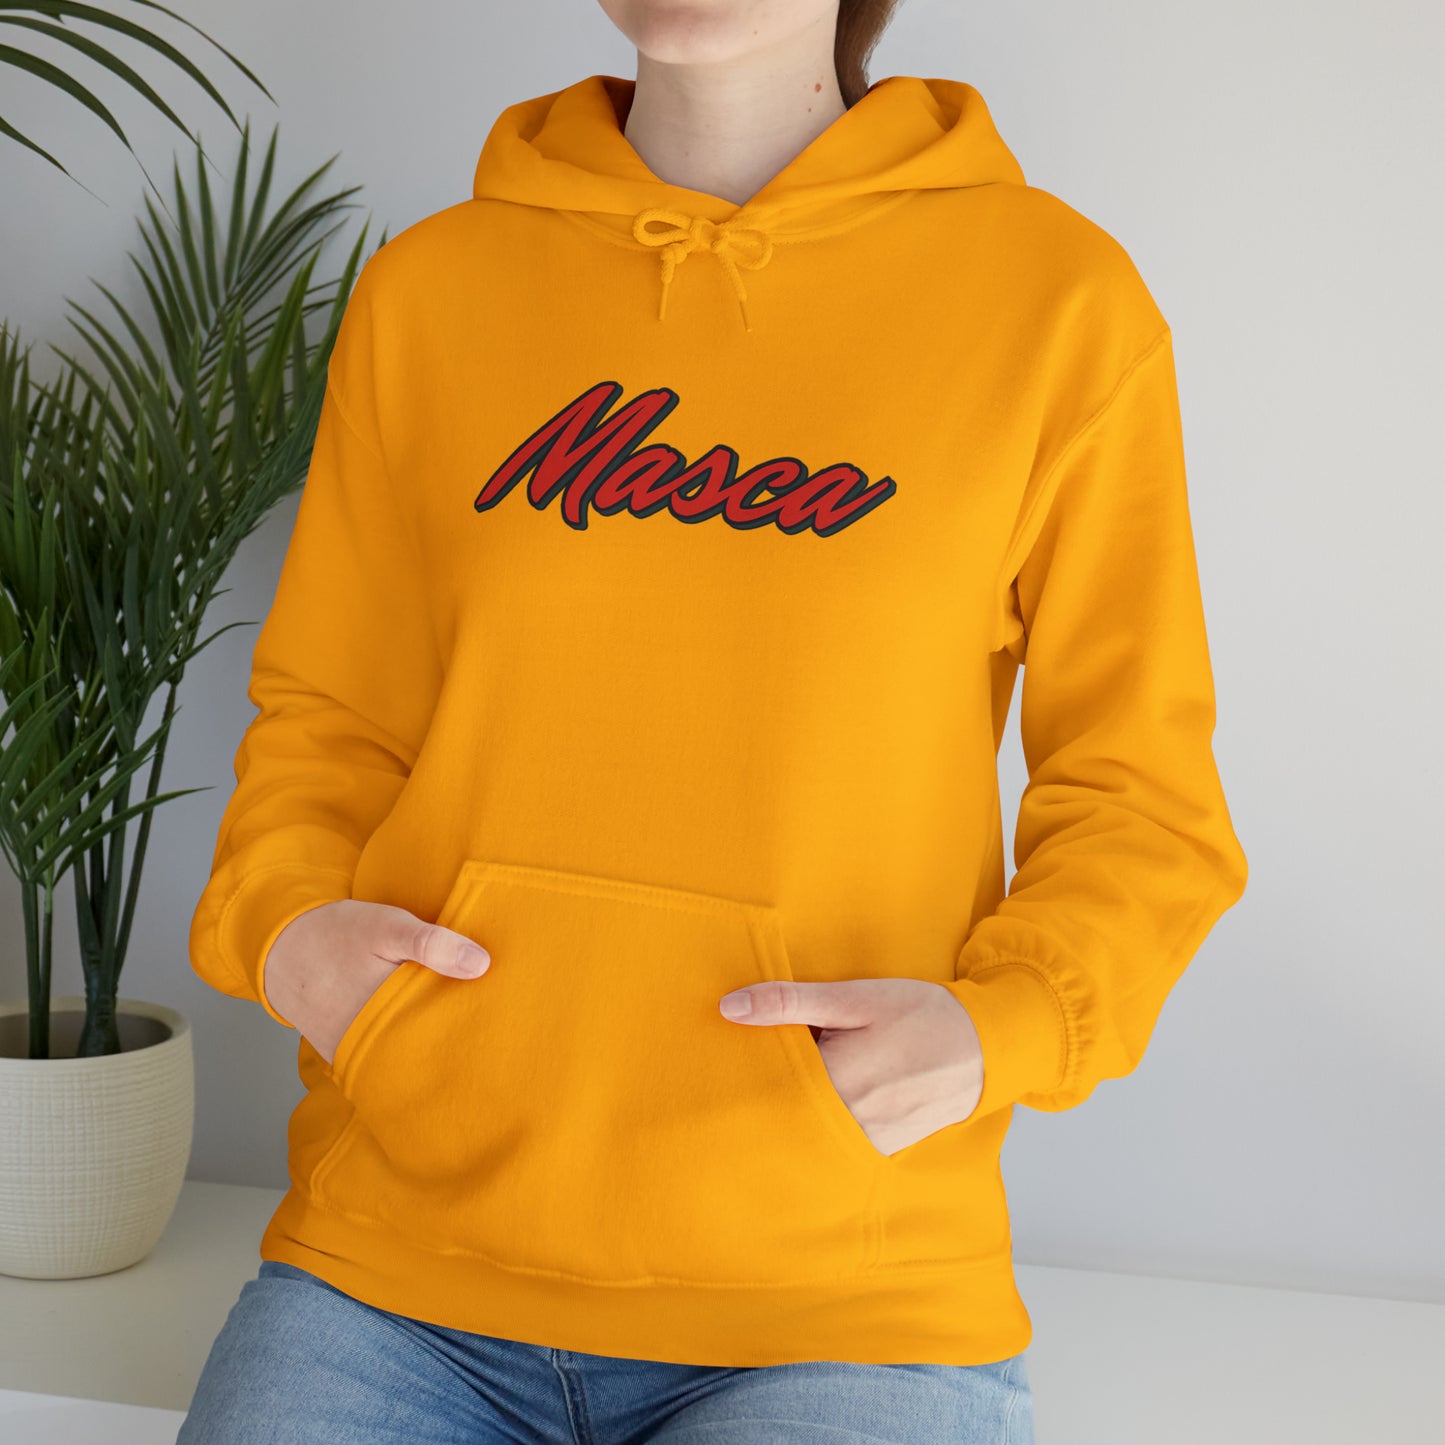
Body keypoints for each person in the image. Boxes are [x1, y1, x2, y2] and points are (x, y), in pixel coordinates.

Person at [180, 1, 1249, 1439]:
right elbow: (330, 713)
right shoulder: (434, 288)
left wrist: (1005, 1026)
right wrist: (289, 931)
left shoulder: (1056, 303)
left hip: (843, 1303)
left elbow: (1140, 789)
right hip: (398, 1272)